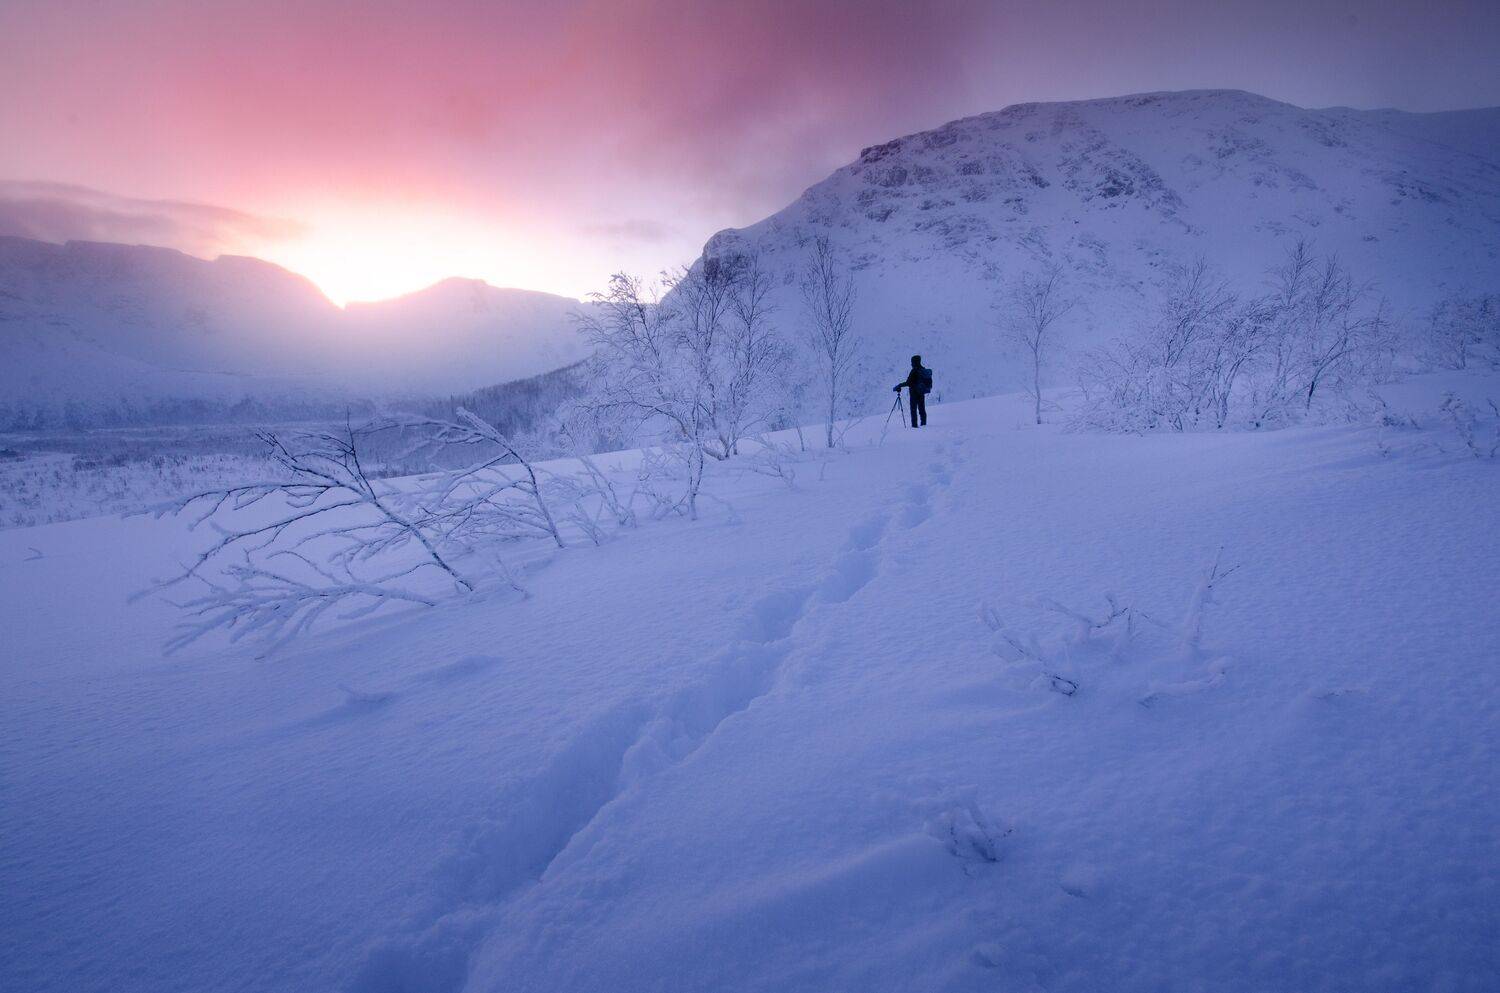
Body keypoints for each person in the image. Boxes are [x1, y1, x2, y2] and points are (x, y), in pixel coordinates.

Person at [893, 354, 933, 427]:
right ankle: (924, 425)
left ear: (914, 362)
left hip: (914, 393)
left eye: (912, 362)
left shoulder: (914, 371)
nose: (911, 364)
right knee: (922, 409)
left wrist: (899, 385)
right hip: (921, 392)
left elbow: (908, 382)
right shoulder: (923, 369)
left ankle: (914, 427)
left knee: (913, 410)